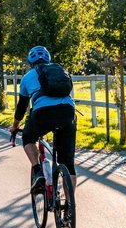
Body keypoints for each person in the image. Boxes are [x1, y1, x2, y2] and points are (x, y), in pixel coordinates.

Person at [9, 45, 78, 192]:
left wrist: (15, 126)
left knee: (28, 138)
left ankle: (38, 171)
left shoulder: (27, 77)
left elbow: (22, 107)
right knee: (68, 163)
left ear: (30, 63)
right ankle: (70, 208)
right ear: (48, 60)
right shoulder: (61, 72)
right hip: (68, 112)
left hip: (43, 114)